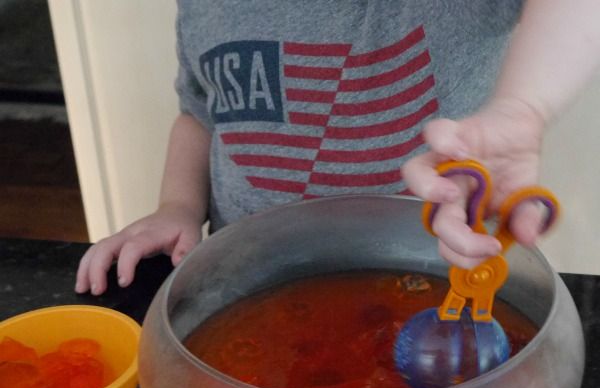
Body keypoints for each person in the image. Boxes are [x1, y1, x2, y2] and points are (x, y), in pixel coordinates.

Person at [75, 0, 600, 295]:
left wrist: (523, 108)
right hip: (251, 283)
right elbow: (198, 115)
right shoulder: (202, 8)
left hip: (440, 280)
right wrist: (178, 206)